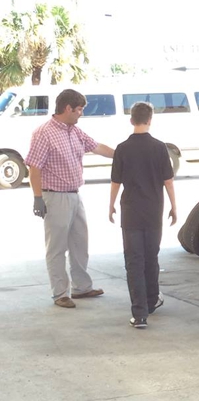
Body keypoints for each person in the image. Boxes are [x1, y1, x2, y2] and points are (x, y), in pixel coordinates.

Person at [25, 88, 115, 308]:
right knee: (56, 247)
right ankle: (60, 293)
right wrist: (37, 197)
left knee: (79, 243)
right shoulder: (43, 133)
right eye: (79, 110)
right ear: (67, 108)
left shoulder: (75, 131)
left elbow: (97, 146)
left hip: (75, 195)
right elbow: (34, 168)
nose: (80, 114)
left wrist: (124, 153)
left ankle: (82, 287)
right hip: (55, 197)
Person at [109, 101, 177, 329]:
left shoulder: (122, 148)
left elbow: (115, 182)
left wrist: (110, 205)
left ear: (131, 120)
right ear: (150, 119)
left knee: (134, 261)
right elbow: (168, 181)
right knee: (151, 257)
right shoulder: (159, 148)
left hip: (130, 213)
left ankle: (139, 315)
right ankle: (151, 300)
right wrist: (174, 207)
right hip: (153, 211)